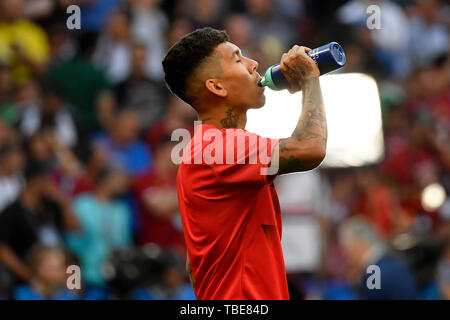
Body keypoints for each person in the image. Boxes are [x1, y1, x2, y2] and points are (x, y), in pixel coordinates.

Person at [162, 27, 327, 299]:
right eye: (238, 59)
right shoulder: (219, 148)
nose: (254, 64)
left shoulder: (208, 151)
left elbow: (193, 267)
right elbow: (311, 147)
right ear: (217, 86)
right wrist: (309, 79)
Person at [338, 216, 417, 300]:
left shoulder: (374, 272)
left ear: (357, 244)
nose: (346, 256)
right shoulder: (396, 263)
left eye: (346, 249)